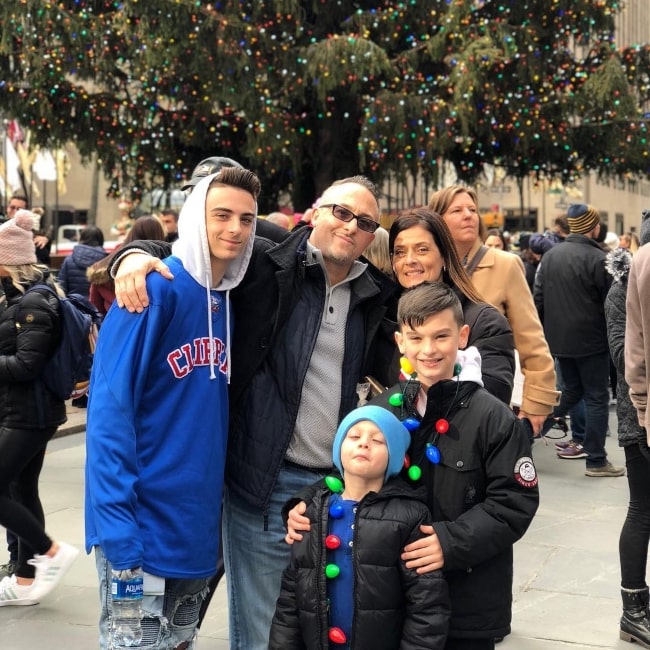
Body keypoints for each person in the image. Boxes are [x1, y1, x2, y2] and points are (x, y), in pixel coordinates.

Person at [105, 175, 397, 650]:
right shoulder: (268, 262)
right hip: (264, 480)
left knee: (318, 629)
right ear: (316, 212)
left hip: (333, 488)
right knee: (262, 631)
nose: (350, 226)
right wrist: (132, 256)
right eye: (341, 212)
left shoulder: (373, 295)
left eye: (364, 222)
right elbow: (198, 240)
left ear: (372, 236)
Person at [287, 282, 539, 649]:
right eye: (416, 338)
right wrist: (303, 506)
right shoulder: (383, 407)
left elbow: (514, 502)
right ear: (400, 341)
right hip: (394, 601)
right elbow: (349, 475)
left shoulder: (493, 417)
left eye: (441, 336)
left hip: (466, 607)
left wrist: (450, 542)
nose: (429, 349)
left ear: (463, 335)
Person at [85, 166, 261, 649]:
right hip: (139, 528)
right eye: (220, 215)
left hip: (196, 534)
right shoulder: (152, 289)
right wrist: (117, 526)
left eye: (246, 219)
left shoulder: (228, 299)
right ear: (191, 217)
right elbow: (108, 414)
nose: (235, 229)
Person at [269, 405, 450, 650]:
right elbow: (291, 597)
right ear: (338, 450)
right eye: (354, 436)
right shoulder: (311, 512)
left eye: (378, 440)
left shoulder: (410, 516)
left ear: (394, 458)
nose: (364, 443)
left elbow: (427, 605)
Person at [428, 186, 558, 435]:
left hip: (491, 398)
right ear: (437, 219)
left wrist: (537, 402)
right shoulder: (430, 265)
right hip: (435, 400)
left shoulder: (504, 264)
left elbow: (532, 339)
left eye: (473, 210)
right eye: (457, 210)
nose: (469, 215)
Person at [0, 210, 79, 606]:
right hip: (22, 410)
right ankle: (26, 578)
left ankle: (50, 552)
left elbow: (26, 365)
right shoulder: (19, 299)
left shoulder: (34, 303)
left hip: (30, 413)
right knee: (20, 488)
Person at [387, 208, 515, 405]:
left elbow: (493, 402)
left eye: (422, 249)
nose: (409, 260)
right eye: (400, 252)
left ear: (445, 256)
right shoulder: (386, 317)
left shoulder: (485, 322)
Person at [534, 203, 624, 476]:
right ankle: (596, 459)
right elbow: (611, 305)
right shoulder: (600, 259)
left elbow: (538, 298)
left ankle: (525, 432)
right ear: (594, 228)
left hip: (559, 340)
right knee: (597, 396)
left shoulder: (550, 256)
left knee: (571, 391)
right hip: (592, 340)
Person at [606, 213, 650, 646]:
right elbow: (621, 354)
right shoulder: (622, 288)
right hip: (638, 417)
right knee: (642, 509)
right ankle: (633, 609)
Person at [87, 215, 166, 317]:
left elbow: (96, 308)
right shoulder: (166, 268)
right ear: (160, 234)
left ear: (131, 233)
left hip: (114, 326)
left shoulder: (101, 268)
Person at [58, 225, 108, 298]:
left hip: (74, 305)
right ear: (101, 239)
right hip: (98, 306)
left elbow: (61, 287)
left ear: (82, 238)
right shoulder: (106, 261)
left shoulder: (69, 260)